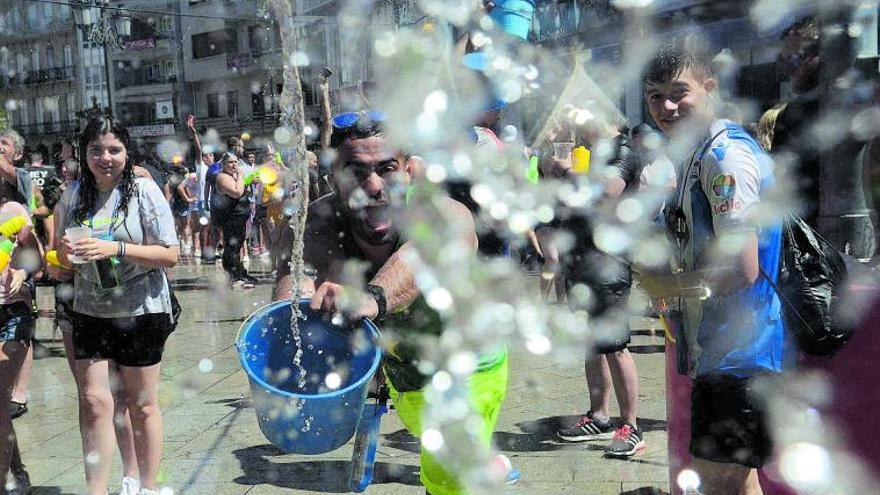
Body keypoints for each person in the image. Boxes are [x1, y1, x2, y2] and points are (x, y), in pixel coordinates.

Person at [273, 112, 516, 495]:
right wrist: (295, 323)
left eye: (387, 169)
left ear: (409, 170)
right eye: (356, 171)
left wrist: (372, 299)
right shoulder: (315, 224)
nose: (374, 186)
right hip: (406, 374)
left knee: (444, 480)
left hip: (471, 368)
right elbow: (290, 299)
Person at [639, 36, 792, 494]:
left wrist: (669, 286)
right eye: (654, 97)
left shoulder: (724, 156)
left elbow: (742, 270)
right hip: (727, 354)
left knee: (716, 485)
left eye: (678, 92)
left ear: (708, 87)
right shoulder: (698, 153)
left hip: (740, 357)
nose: (666, 106)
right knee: (738, 484)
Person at [56, 116, 179, 495]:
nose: (105, 157)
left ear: (127, 153)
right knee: (94, 401)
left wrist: (117, 248)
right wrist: (62, 253)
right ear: (85, 153)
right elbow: (58, 259)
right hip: (91, 309)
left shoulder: (144, 190)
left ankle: (147, 486)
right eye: (96, 150)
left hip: (141, 310)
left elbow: (170, 254)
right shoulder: (74, 195)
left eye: (114, 149)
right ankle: (96, 490)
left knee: (141, 405)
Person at [542, 117, 646, 458]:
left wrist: (566, 169)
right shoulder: (587, 151)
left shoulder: (623, 151)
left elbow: (606, 190)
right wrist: (554, 159)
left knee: (615, 344)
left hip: (609, 261)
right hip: (580, 257)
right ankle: (599, 414)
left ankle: (631, 424)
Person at [0, 199, 42, 494]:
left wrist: (22, 274)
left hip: (10, 313)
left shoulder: (11, 211)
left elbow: (37, 261)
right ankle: (17, 471)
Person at [211, 152, 257, 288]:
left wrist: (248, 181)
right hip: (230, 218)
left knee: (238, 246)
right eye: (230, 162)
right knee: (232, 247)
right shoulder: (222, 177)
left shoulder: (234, 176)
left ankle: (240, 273)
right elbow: (236, 192)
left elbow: (241, 189)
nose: (234, 165)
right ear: (223, 164)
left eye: (236, 162)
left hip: (240, 216)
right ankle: (233, 277)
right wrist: (242, 176)